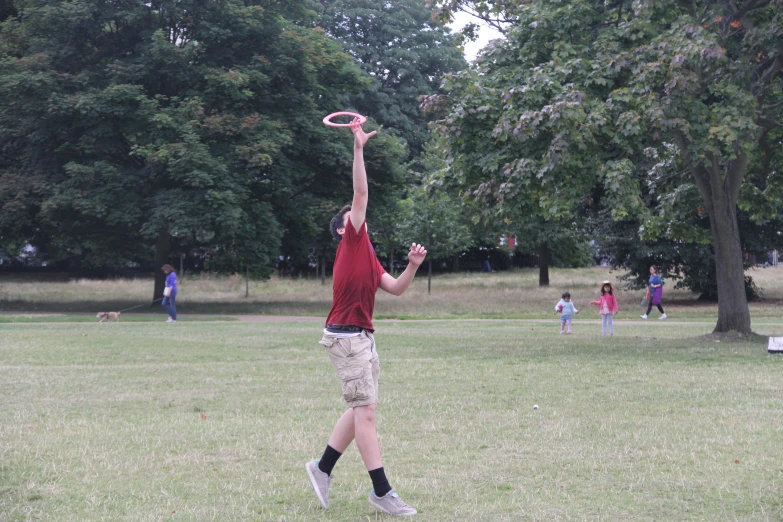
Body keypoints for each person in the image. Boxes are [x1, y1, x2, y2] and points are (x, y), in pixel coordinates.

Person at [305, 118, 427, 516]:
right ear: (343, 231)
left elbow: (394, 288)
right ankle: (381, 491)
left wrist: (412, 266)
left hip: (363, 337)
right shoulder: (352, 240)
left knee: (360, 409)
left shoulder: (368, 255)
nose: (358, 217)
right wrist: (358, 148)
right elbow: (360, 193)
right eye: (351, 218)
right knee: (367, 413)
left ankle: (321, 468)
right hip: (346, 338)